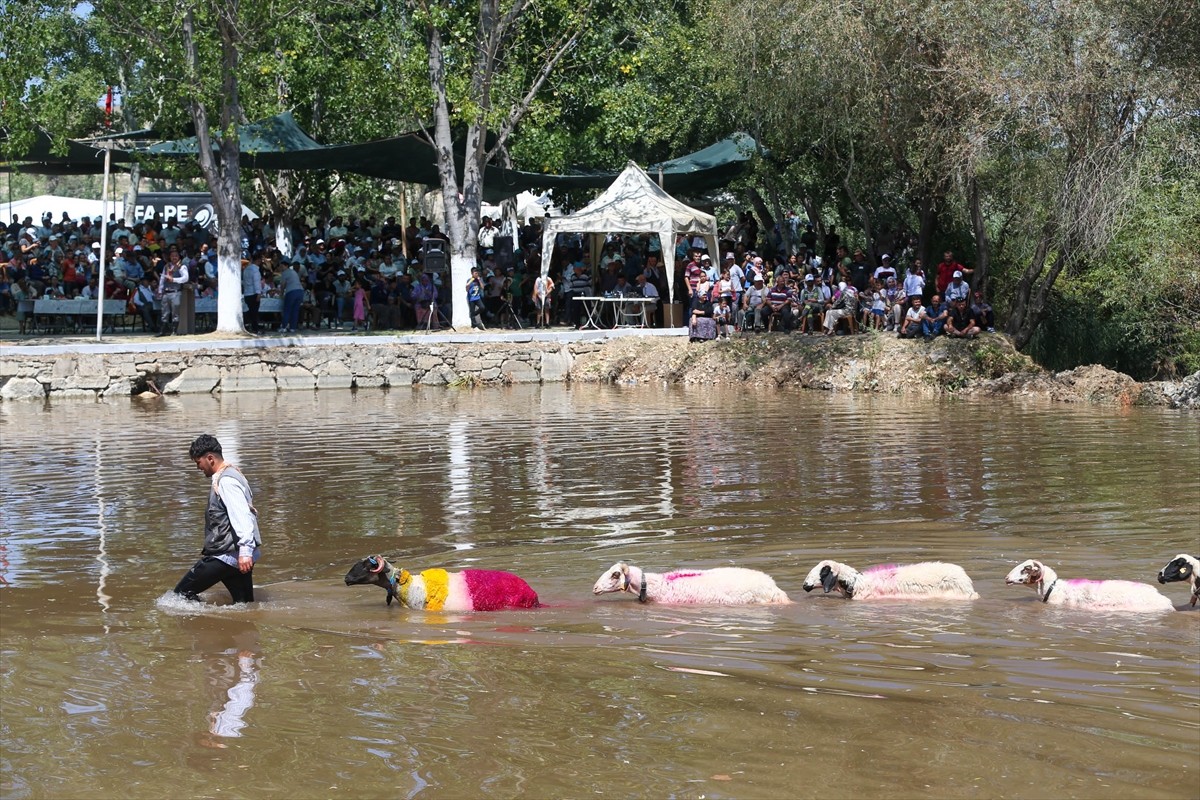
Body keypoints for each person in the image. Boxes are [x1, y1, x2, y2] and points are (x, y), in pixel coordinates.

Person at [173, 434, 261, 605]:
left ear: (210, 458)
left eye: (198, 463)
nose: (198, 468)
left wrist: (245, 550)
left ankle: (202, 626)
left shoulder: (226, 481)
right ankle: (244, 630)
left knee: (179, 596)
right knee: (244, 604)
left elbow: (241, 514)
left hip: (226, 555)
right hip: (236, 554)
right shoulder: (234, 474)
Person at [156, 251, 189, 336]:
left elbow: (185, 278)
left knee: (175, 312)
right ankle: (163, 331)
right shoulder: (167, 266)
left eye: (176, 256)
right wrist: (160, 290)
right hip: (166, 292)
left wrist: (174, 280)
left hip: (175, 292)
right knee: (164, 312)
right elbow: (162, 279)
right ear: (170, 257)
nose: (174, 257)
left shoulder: (182, 266)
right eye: (172, 256)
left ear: (179, 257)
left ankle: (174, 331)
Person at [242, 257, 262, 333]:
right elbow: (257, 282)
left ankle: (247, 326)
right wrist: (258, 293)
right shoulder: (255, 270)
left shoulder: (246, 269)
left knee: (249, 312)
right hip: (253, 293)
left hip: (247, 293)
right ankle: (255, 329)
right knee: (254, 313)